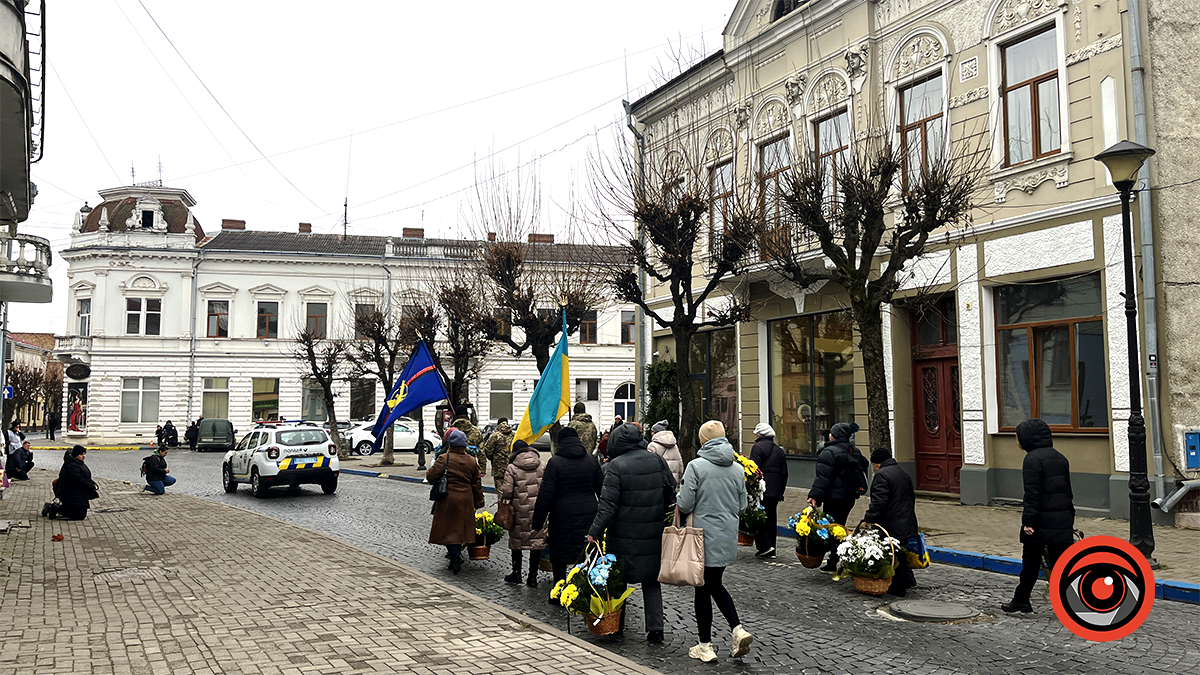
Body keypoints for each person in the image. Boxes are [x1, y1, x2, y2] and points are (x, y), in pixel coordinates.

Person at [587, 422, 676, 643]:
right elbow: (671, 493)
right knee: (651, 580)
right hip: (653, 532)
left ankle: (616, 626)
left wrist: (594, 532)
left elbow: (607, 505)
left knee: (619, 580)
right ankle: (656, 628)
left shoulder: (616, 466)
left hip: (622, 533)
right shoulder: (657, 460)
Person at [677, 421, 754, 662]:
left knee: (703, 588)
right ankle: (737, 629)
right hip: (726, 537)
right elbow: (742, 506)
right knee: (715, 584)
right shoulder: (737, 469)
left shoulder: (696, 467)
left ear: (702, 441)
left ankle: (705, 645)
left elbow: (685, 504)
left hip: (700, 538)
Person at [1003, 418, 1075, 614]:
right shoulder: (1060, 457)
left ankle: (1021, 600)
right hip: (1061, 521)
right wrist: (1069, 521)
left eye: (1018, 437)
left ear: (1027, 439)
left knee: (1030, 565)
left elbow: (1032, 494)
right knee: (1062, 566)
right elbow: (1068, 493)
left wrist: (1028, 522)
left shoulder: (1032, 459)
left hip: (1040, 524)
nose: (1017, 441)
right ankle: (1070, 604)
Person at [533, 426, 604, 603]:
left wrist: (537, 521)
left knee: (560, 554)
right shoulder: (592, 460)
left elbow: (546, 494)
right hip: (589, 513)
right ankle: (589, 591)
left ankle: (559, 592)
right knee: (588, 553)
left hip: (562, 514)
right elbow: (602, 489)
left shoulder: (555, 462)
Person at [807, 422, 868, 571]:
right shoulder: (854, 450)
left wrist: (814, 496)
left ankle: (833, 560)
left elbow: (823, 478)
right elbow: (863, 465)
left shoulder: (829, 452)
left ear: (834, 435)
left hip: (833, 497)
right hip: (849, 496)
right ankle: (836, 559)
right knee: (839, 526)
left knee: (832, 528)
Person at [427, 429, 485, 574]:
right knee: (459, 529)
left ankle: (456, 556)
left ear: (450, 443)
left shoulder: (444, 458)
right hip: (466, 499)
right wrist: (479, 502)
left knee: (447, 530)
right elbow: (476, 483)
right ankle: (454, 561)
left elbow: (431, 477)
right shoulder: (472, 461)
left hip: (448, 499)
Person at [863, 447, 917, 597]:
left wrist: (869, 518)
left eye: (874, 464)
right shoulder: (902, 472)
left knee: (894, 554)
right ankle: (908, 580)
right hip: (906, 519)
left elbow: (879, 502)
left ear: (878, 463)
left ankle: (899, 587)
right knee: (900, 551)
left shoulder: (882, 475)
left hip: (892, 522)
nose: (874, 467)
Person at [502, 439, 546, 587]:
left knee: (516, 541)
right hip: (539, 509)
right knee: (536, 541)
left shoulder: (512, 468)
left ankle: (516, 573)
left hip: (519, 510)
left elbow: (507, 492)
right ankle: (532, 576)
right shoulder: (542, 464)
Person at [749, 422, 788, 558]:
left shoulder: (757, 448)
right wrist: (781, 490)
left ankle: (765, 546)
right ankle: (772, 547)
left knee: (759, 518)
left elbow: (755, 470)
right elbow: (784, 473)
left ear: (759, 435)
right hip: (775, 490)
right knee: (771, 519)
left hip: (762, 490)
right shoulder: (779, 450)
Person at [45, 445, 99, 520]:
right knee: (78, 515)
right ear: (76, 455)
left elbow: (86, 477)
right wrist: (91, 486)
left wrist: (94, 484)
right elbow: (78, 480)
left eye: (84, 454)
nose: (83, 456)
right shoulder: (71, 465)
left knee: (81, 514)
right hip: (71, 493)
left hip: (80, 494)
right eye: (81, 454)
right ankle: (54, 508)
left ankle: (64, 509)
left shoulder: (80, 464)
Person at [480, 418, 514, 493]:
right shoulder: (514, 435)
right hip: (512, 467)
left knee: (500, 491)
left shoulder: (495, 436)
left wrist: (492, 458)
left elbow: (487, 450)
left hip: (498, 468)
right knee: (511, 490)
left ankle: (501, 504)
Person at [450, 405, 485, 474]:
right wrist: (482, 469)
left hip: (452, 468)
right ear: (467, 415)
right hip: (471, 467)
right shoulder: (476, 431)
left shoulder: (450, 432)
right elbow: (481, 452)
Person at [647, 420, 684, 485]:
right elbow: (680, 464)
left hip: (659, 484)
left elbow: (649, 466)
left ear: (654, 433)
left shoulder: (652, 446)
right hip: (673, 482)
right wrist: (679, 481)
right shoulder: (674, 445)